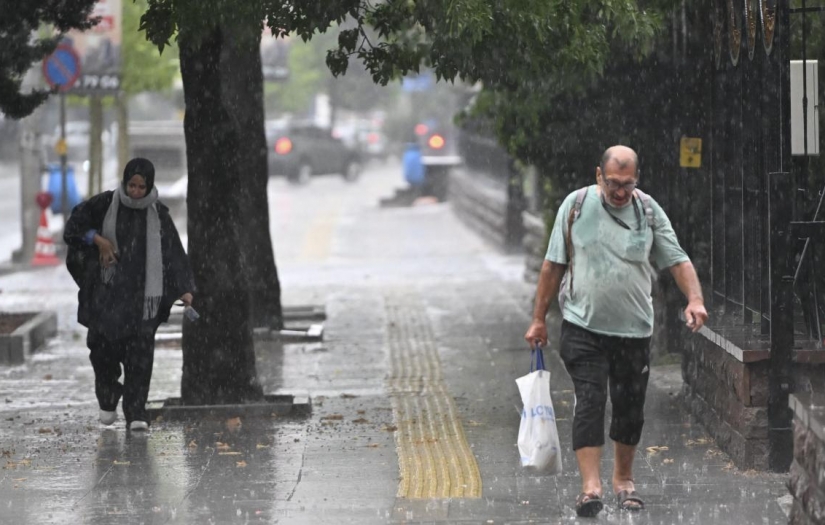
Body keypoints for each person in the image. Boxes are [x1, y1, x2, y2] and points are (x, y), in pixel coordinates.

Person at [524, 145, 708, 517]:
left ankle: (623, 481)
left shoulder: (648, 211)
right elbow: (552, 266)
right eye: (612, 183)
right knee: (590, 402)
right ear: (598, 176)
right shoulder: (576, 206)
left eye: (627, 184)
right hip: (582, 326)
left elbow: (677, 258)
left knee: (629, 408)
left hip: (634, 330)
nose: (620, 191)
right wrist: (539, 318)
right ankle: (590, 488)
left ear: (636, 179)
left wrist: (695, 299)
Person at [64, 157, 195, 432]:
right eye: (131, 185)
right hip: (106, 298)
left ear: (149, 186)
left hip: (140, 300)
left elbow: (173, 252)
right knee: (102, 353)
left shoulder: (158, 214)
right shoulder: (103, 205)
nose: (135, 192)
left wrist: (185, 288)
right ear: (125, 182)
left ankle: (136, 411)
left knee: (140, 355)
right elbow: (73, 228)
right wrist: (98, 241)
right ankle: (109, 396)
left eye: (141, 187)